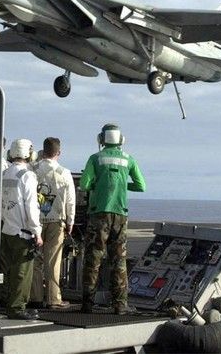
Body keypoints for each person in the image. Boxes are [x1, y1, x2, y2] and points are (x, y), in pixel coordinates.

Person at [79, 123, 146, 315]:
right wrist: (123, 186)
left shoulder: (95, 158)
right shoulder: (129, 159)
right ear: (121, 140)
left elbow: (84, 185)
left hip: (99, 214)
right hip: (120, 215)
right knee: (118, 261)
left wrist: (98, 185)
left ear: (101, 139)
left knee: (93, 259)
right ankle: (120, 305)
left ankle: (87, 304)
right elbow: (141, 186)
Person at [30, 137, 76, 309]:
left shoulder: (32, 170)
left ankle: (35, 297)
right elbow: (70, 200)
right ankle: (53, 299)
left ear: (43, 151)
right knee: (53, 261)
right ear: (59, 152)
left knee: (35, 259)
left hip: (35, 220)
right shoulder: (64, 172)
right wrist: (70, 220)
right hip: (56, 220)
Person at [0, 138, 43, 320]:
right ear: (29, 154)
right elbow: (31, 207)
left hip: (6, 230)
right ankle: (17, 308)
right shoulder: (27, 176)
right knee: (22, 273)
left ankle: (7, 304)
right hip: (22, 233)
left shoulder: (4, 173)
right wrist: (37, 232)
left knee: (8, 271)